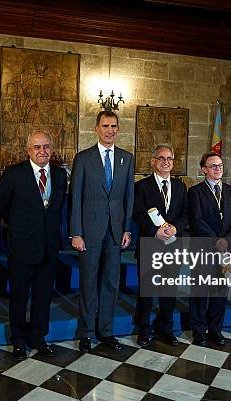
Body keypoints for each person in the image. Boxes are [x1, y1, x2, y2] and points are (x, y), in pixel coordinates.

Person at [0, 130, 67, 360]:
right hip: (21, 247)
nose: (42, 151)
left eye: (46, 146)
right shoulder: (14, 174)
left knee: (43, 296)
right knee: (18, 296)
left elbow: (58, 209)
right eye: (37, 147)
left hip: (49, 248)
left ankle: (38, 337)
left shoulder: (58, 175)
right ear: (29, 150)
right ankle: (18, 340)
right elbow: (2, 207)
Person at [70, 110, 134, 352]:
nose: (110, 130)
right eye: (105, 126)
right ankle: (86, 332)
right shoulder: (83, 158)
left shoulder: (126, 159)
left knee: (110, 283)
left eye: (114, 126)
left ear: (118, 129)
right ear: (96, 128)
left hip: (116, 232)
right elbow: (75, 198)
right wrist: (76, 232)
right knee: (88, 282)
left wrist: (127, 228)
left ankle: (105, 331)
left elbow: (129, 197)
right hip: (89, 231)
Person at [132, 144, 189, 347]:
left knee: (169, 291)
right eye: (162, 158)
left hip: (174, 245)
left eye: (169, 159)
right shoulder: (142, 186)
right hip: (150, 243)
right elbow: (137, 214)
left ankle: (165, 329)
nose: (166, 162)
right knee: (146, 291)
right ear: (153, 161)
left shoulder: (181, 186)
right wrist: (154, 231)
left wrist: (175, 228)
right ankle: (144, 330)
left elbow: (185, 214)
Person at [187, 152, 231, 347]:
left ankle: (216, 330)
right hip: (203, 248)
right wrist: (216, 240)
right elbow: (196, 220)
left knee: (221, 290)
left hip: (226, 250)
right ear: (204, 170)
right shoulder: (195, 192)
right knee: (200, 290)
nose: (218, 168)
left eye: (220, 165)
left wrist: (226, 240)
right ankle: (199, 330)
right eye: (213, 166)